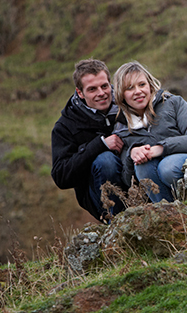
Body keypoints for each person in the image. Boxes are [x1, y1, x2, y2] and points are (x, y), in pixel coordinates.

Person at [113, 61, 187, 202]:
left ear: (150, 85)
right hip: (163, 187)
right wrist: (132, 155)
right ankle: (170, 215)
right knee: (142, 167)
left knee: (167, 167)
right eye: (129, 88)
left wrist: (161, 148)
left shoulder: (173, 102)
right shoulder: (122, 129)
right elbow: (128, 181)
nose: (138, 91)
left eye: (142, 85)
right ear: (121, 94)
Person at [51, 59, 125, 222]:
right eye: (92, 89)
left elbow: (156, 99)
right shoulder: (65, 126)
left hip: (135, 180)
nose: (101, 93)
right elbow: (61, 177)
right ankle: (119, 225)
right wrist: (100, 145)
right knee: (105, 161)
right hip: (99, 195)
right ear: (80, 93)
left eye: (104, 86)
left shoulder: (126, 100)